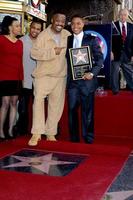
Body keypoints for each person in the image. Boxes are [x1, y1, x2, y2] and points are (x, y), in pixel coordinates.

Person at [28, 11, 71, 146]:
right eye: (58, 21)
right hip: (43, 75)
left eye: (63, 22)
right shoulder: (43, 35)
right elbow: (34, 53)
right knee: (38, 104)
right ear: (52, 20)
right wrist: (52, 52)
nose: (60, 24)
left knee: (56, 106)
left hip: (60, 76)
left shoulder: (67, 35)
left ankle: (50, 132)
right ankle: (36, 133)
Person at [66, 15, 103, 143]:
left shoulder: (92, 40)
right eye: (72, 24)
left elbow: (100, 59)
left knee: (87, 112)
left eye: (78, 23)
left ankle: (88, 138)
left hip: (87, 81)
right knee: (72, 111)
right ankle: (74, 139)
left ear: (83, 24)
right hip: (73, 82)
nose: (75, 26)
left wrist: (92, 73)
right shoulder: (68, 40)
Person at [15, 19, 43, 135]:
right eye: (33, 28)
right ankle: (22, 130)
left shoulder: (43, 42)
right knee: (23, 108)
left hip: (39, 80)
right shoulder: (21, 41)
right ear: (29, 27)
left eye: (38, 29)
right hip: (24, 80)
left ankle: (38, 131)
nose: (35, 31)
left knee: (38, 108)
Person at [0, 16, 23, 139]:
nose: (20, 28)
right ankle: (0, 131)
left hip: (16, 78)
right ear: (10, 27)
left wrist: (21, 78)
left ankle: (10, 130)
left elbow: (20, 62)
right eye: (17, 25)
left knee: (14, 102)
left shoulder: (20, 43)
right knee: (5, 102)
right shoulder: (1, 39)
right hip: (3, 77)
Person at [111, 8, 133, 95]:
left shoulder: (132, 26)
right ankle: (115, 90)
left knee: (129, 72)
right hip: (116, 54)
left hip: (127, 54)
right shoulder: (113, 25)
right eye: (121, 15)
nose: (123, 17)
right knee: (115, 72)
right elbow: (110, 39)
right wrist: (111, 51)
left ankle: (131, 87)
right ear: (118, 15)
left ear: (127, 16)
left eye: (125, 15)